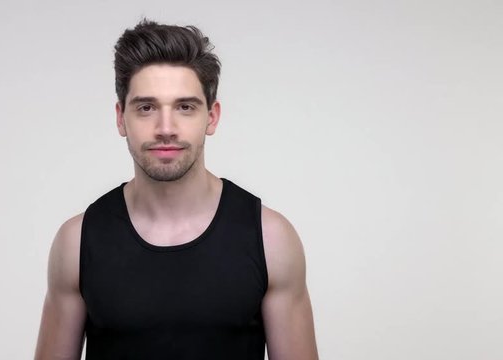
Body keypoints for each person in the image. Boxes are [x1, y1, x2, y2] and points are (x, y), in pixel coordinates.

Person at [34, 19, 318, 360]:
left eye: (185, 107)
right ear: (121, 118)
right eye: (146, 107)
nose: (165, 129)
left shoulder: (271, 239)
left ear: (211, 117)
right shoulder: (77, 241)